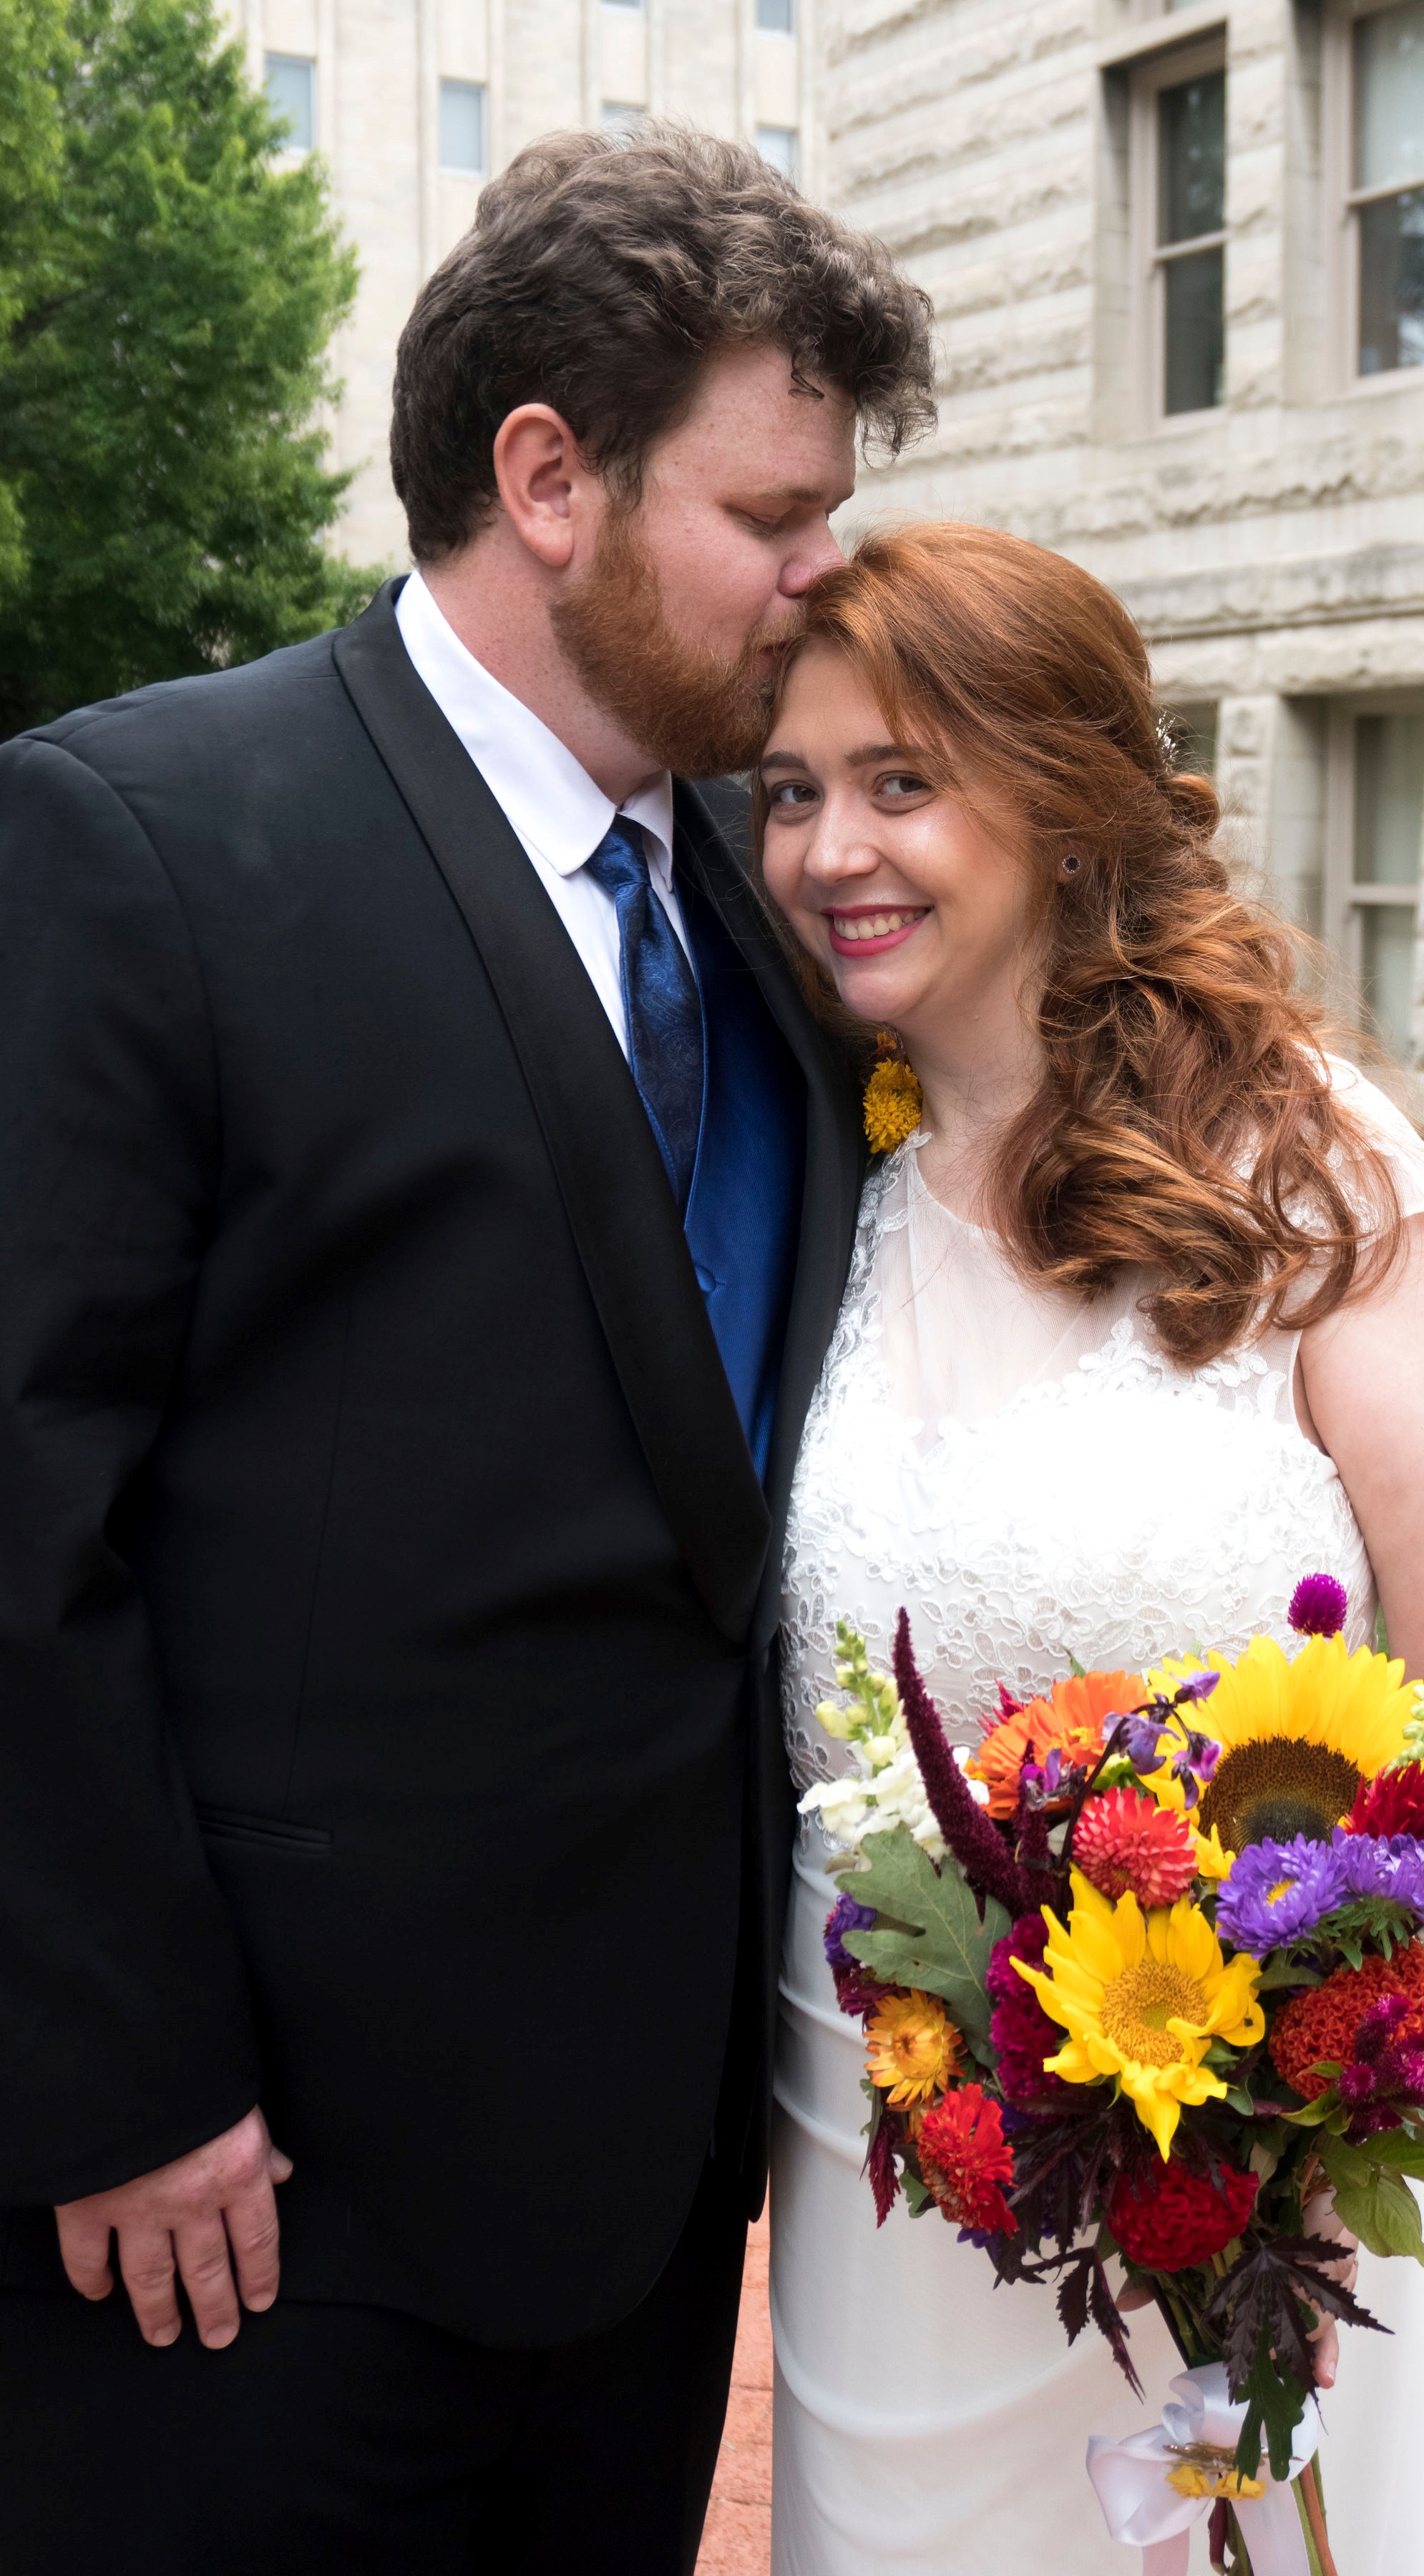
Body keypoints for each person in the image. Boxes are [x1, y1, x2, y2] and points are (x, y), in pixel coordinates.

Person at [0, 126, 932, 2572]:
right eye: (775, 510)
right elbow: (16, 1517)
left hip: (645, 2217)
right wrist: (118, 2082)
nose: (826, 572)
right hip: (249, 2214)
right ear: (548, 477)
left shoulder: (769, 896)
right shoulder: (139, 836)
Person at [757, 523, 1424, 2576]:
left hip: (1258, 2197)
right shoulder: (808, 1193)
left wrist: (1333, 2056)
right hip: (891, 2193)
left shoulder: (1315, 1178)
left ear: (1056, 798)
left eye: (899, 781)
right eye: (791, 791)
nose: (825, 849)